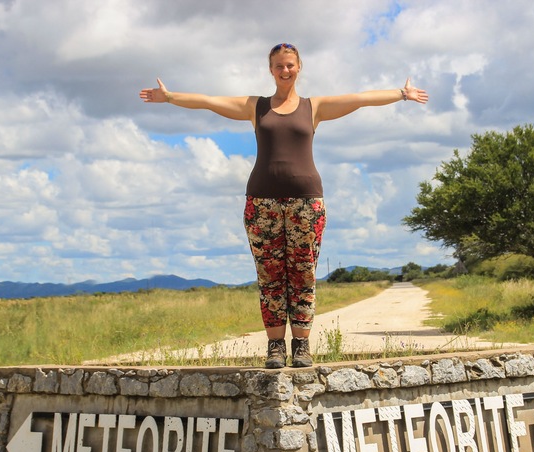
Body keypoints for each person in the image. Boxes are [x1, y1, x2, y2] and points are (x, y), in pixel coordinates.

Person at [139, 43, 428, 369]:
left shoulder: (313, 107)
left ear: (299, 67)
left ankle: (301, 346)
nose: (285, 70)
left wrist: (401, 94)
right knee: (271, 278)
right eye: (279, 66)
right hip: (262, 203)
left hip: (307, 204)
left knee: (303, 275)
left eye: (290, 65)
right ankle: (275, 348)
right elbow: (210, 102)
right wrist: (171, 97)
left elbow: (359, 99)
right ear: (271, 70)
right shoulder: (256, 106)